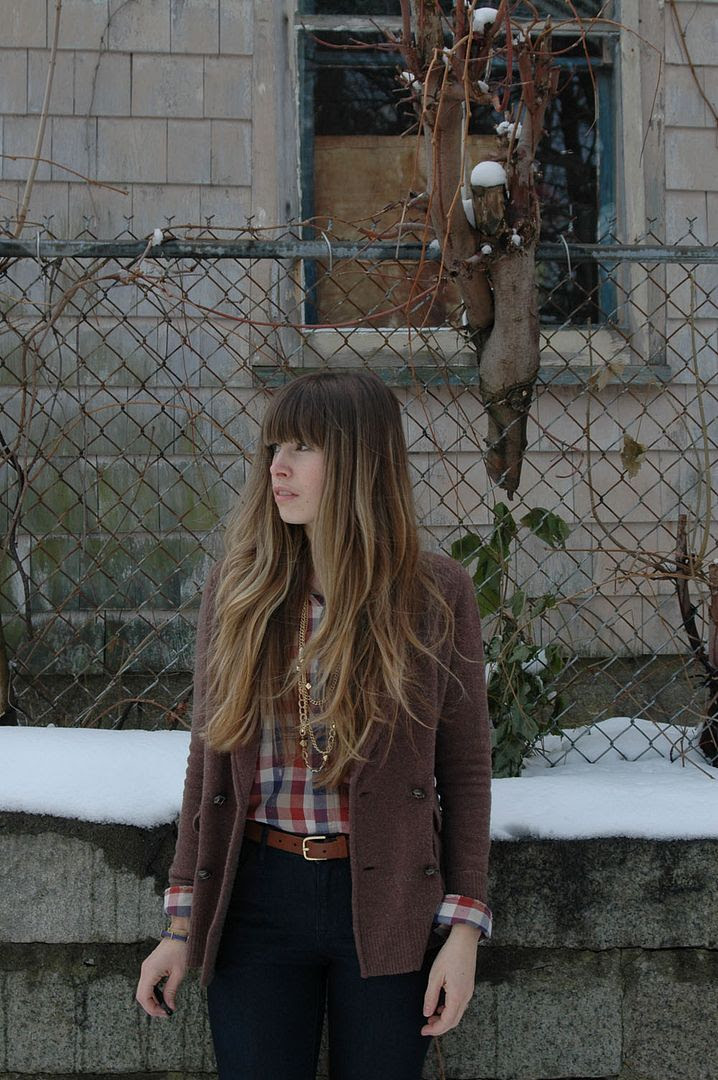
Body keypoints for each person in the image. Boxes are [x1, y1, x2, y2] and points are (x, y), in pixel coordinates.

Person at [135, 370, 492, 1080]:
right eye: (275, 446)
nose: (278, 465)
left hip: (389, 895)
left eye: (303, 447)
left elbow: (465, 770)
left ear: (361, 460)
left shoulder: (434, 593)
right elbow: (208, 762)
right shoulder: (241, 588)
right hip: (256, 897)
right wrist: (180, 925)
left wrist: (463, 932)